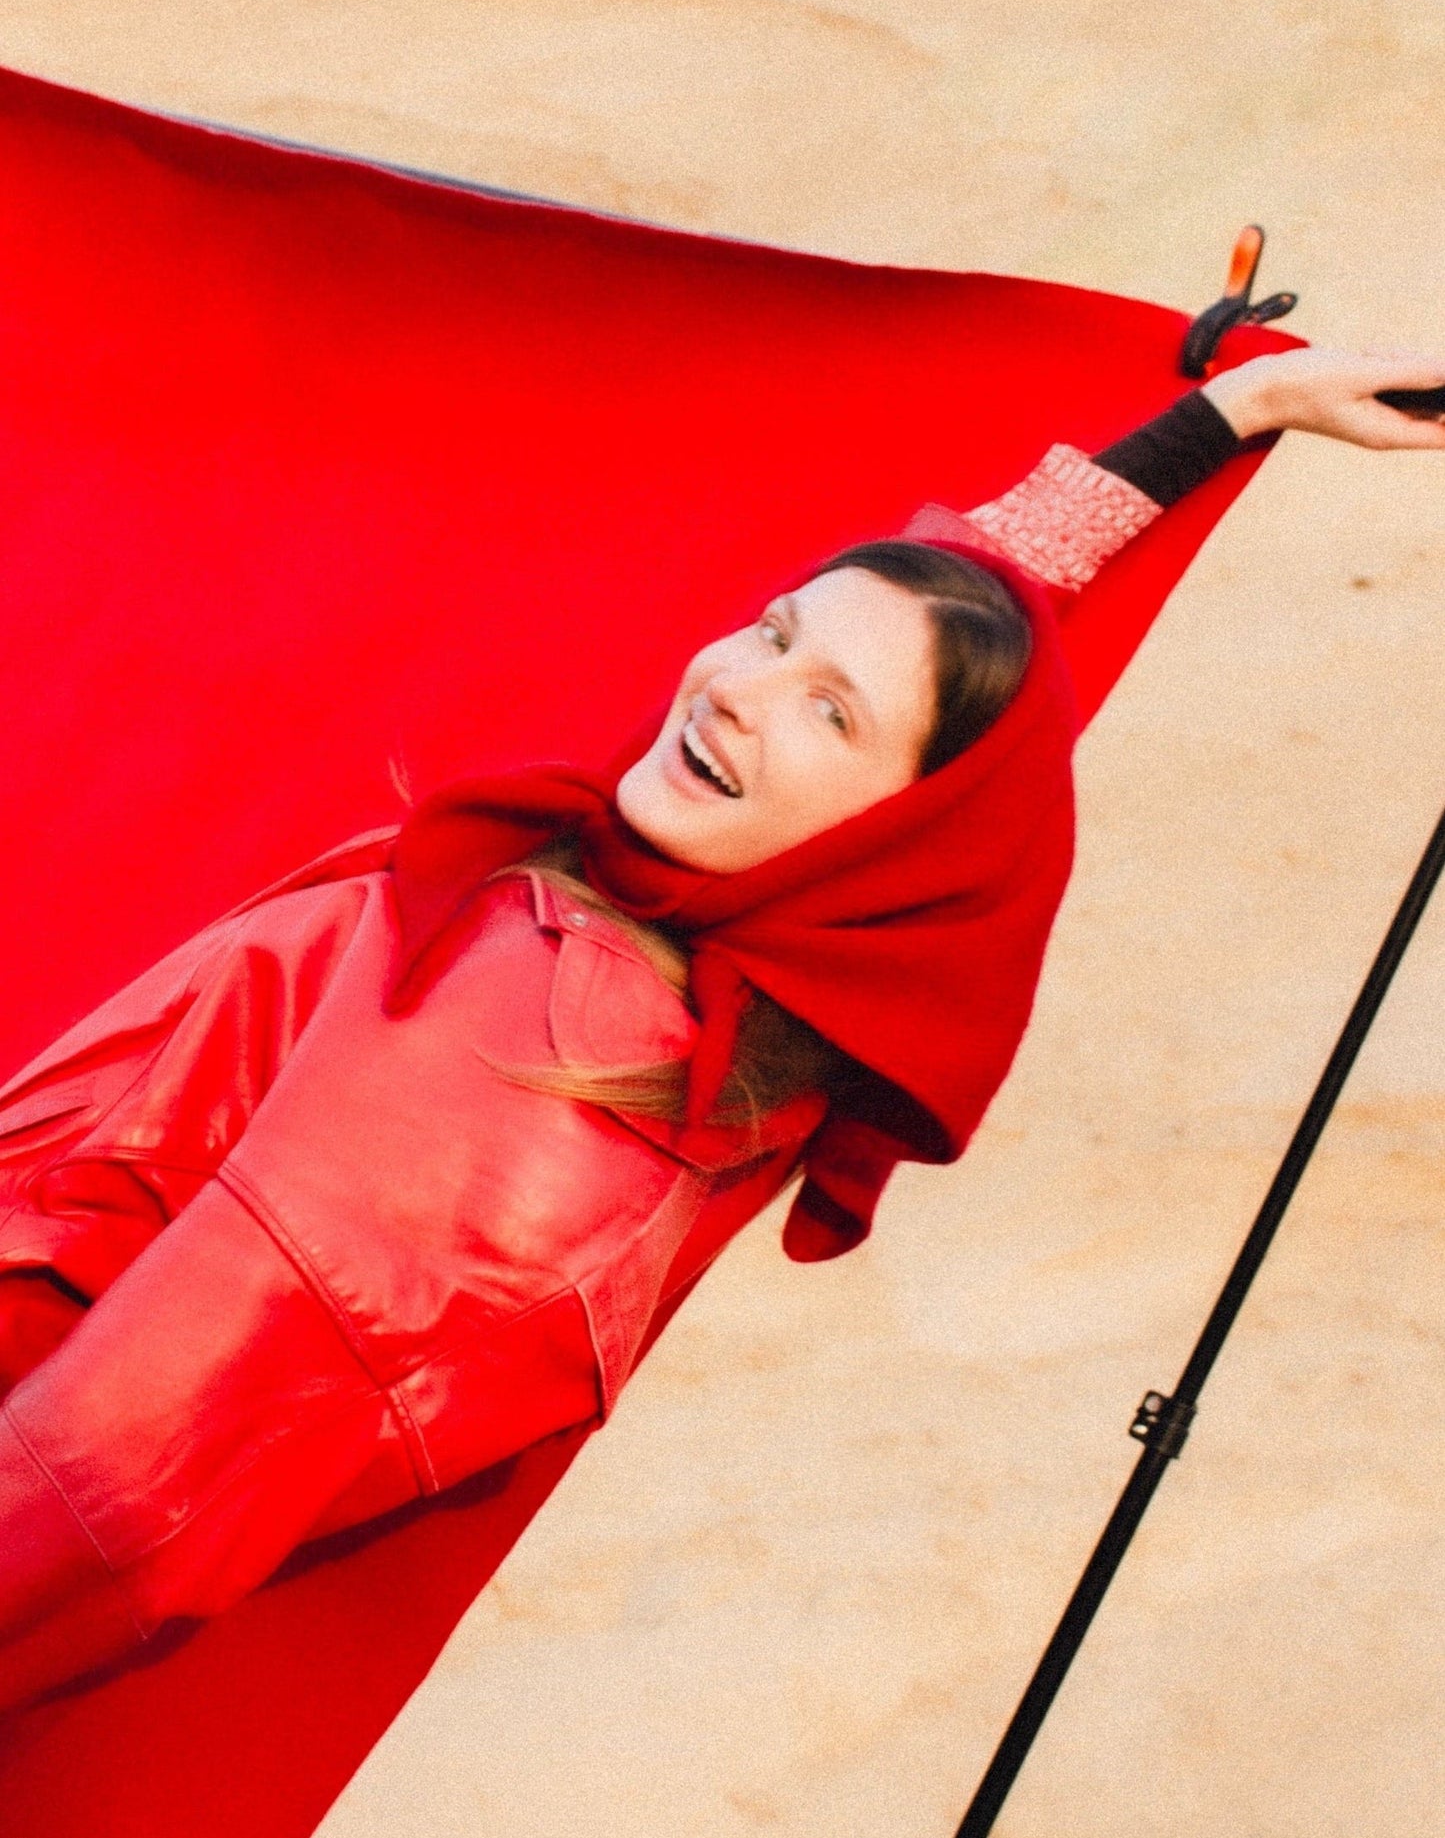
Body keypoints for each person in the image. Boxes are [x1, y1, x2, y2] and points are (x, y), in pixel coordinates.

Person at [0, 344, 1440, 1715]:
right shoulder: (723, 1013)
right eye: (772, 630)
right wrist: (1240, 409)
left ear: (898, 834)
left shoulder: (541, 1086)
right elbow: (977, 595)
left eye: (826, 711)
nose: (739, 689)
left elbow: (106, 1482)